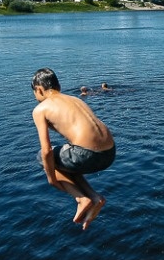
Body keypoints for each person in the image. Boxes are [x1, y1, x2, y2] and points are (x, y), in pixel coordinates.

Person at [31, 68, 116, 229]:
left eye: (35, 94)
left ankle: (81, 198)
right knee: (66, 159)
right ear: (59, 86)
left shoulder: (40, 109)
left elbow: (46, 150)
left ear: (39, 89)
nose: (36, 98)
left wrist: (51, 178)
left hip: (88, 154)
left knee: (42, 157)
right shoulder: (76, 99)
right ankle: (94, 198)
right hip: (110, 153)